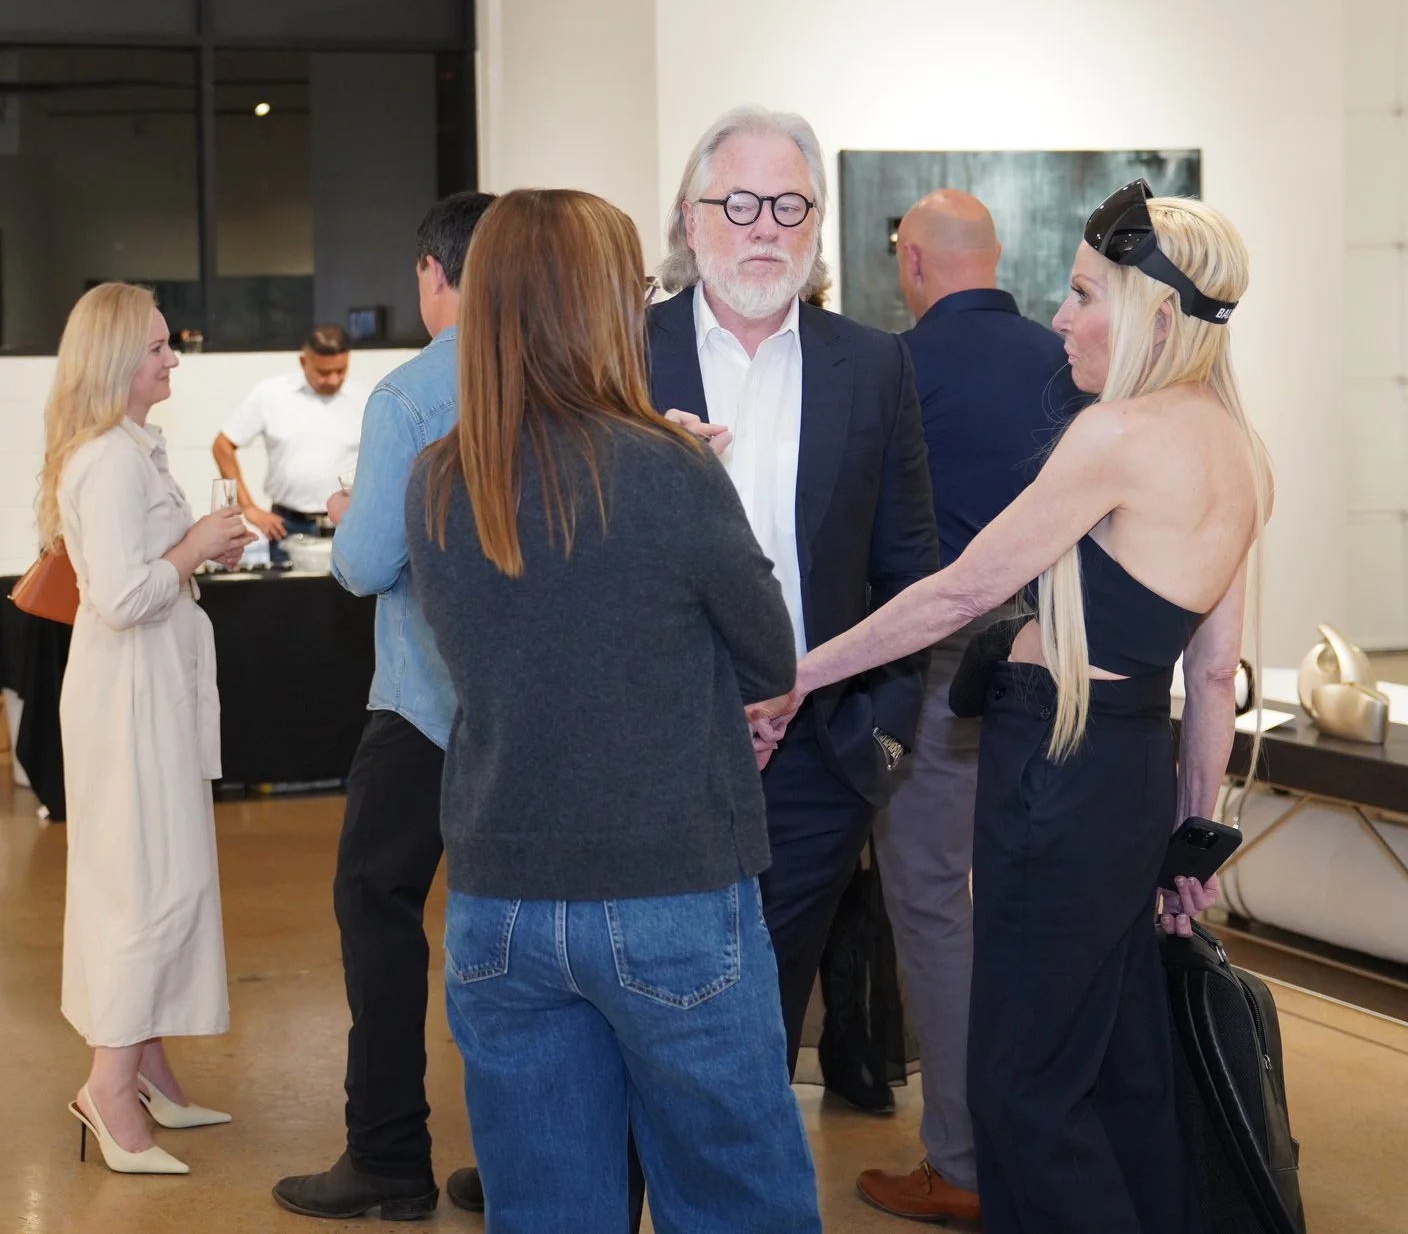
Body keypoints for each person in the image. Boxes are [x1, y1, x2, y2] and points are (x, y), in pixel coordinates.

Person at [752, 182, 1269, 1234]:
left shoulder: (1116, 435)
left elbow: (958, 590)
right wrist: (1187, 841)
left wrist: (800, 672)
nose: (1060, 319)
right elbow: (1212, 676)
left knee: (1021, 1083)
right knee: (1116, 1065)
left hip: (1054, 769)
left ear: (1153, 317)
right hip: (1128, 777)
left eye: (1083, 295)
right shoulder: (1241, 450)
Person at [407, 188, 822, 1234]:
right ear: (600, 305)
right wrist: (701, 476)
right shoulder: (668, 469)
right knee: (735, 1197)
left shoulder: (439, 480)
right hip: (666, 885)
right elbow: (768, 655)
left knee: (544, 1205)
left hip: (499, 895)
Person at [644, 106, 940, 1093]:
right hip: (647, 751)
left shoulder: (873, 363)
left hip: (819, 758)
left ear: (816, 225)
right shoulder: (616, 358)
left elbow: (908, 565)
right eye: (737, 202)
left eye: (787, 204)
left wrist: (883, 742)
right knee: (650, 1015)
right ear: (690, 220)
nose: (763, 225)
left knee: (757, 1025)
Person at [854, 189, 1077, 1227]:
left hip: (943, 664)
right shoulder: (1067, 360)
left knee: (936, 905)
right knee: (1038, 907)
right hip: (1062, 661)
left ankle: (959, 1158)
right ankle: (1042, 1144)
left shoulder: (892, 367)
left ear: (912, 263)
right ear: (998, 256)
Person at [270, 191, 495, 1222]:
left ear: (434, 273)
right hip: (533, 708)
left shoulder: (412, 390)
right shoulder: (568, 370)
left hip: (422, 705)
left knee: (378, 912)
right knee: (513, 932)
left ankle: (388, 1152)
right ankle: (524, 1150)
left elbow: (362, 568)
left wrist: (359, 515)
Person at [40, 283, 251, 1176]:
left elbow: (143, 569)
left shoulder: (132, 448)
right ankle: (110, 1085)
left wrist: (200, 545)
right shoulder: (109, 462)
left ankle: (150, 1064)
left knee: (162, 870)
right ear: (119, 360)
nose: (173, 359)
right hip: (128, 697)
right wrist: (196, 546)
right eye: (160, 346)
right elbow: (123, 596)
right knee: (141, 882)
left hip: (143, 690)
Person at [214, 325, 363, 561]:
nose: (334, 380)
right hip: (288, 525)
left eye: (341, 371)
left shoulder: (363, 399)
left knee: (349, 598)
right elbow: (222, 446)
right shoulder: (271, 394)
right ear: (304, 362)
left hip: (349, 525)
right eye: (324, 372)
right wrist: (248, 508)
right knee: (288, 598)